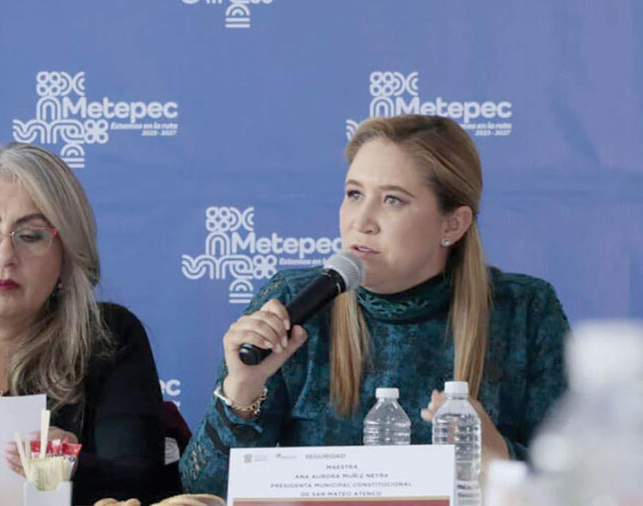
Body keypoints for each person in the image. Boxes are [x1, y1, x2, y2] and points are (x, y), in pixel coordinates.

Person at [180, 114, 569, 495]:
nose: (361, 221)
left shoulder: (525, 311)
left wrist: (498, 454)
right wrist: (242, 391)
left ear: (453, 224)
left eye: (392, 200)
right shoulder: (290, 302)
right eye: (354, 194)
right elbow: (204, 489)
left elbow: (577, 488)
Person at [0, 142, 167, 504]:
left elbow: (144, 485)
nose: (4, 256)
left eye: (32, 236)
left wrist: (73, 467)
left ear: (66, 255)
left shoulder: (108, 338)